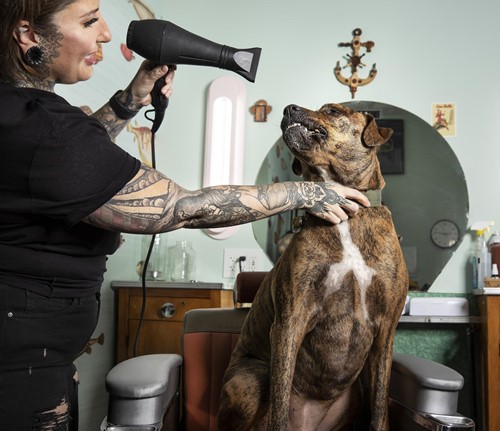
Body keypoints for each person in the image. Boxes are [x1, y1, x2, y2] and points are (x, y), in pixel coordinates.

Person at [0, 0, 369, 429]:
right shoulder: (43, 128)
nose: (104, 33)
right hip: (18, 368)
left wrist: (129, 100)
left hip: (32, 354)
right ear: (28, 35)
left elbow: (69, 164)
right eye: (88, 20)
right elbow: (180, 208)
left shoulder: (21, 116)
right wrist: (304, 191)